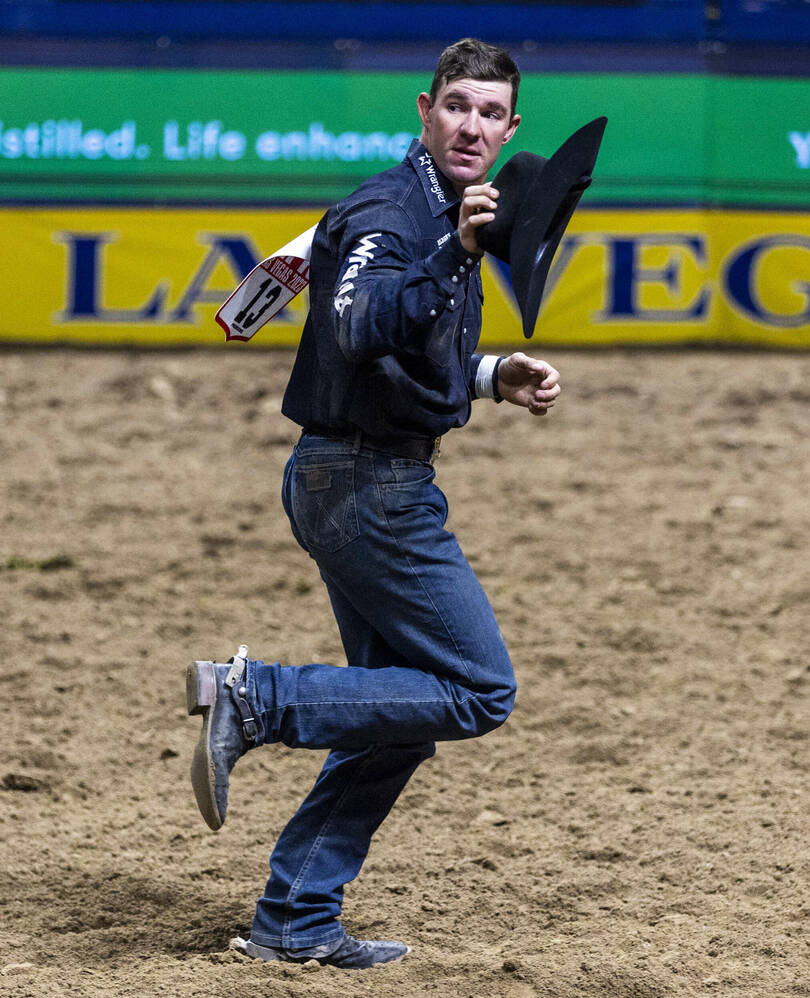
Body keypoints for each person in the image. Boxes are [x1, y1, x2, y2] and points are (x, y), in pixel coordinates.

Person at [184, 38, 561, 970]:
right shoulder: (395, 214)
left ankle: (293, 919)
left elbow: (402, 347)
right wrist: (458, 252)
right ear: (424, 109)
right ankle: (254, 697)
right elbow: (357, 326)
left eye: (491, 113)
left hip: (361, 476)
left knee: (396, 713)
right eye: (457, 106)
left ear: (512, 129)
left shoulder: (440, 215)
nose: (472, 125)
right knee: (478, 691)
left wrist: (485, 374)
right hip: (367, 488)